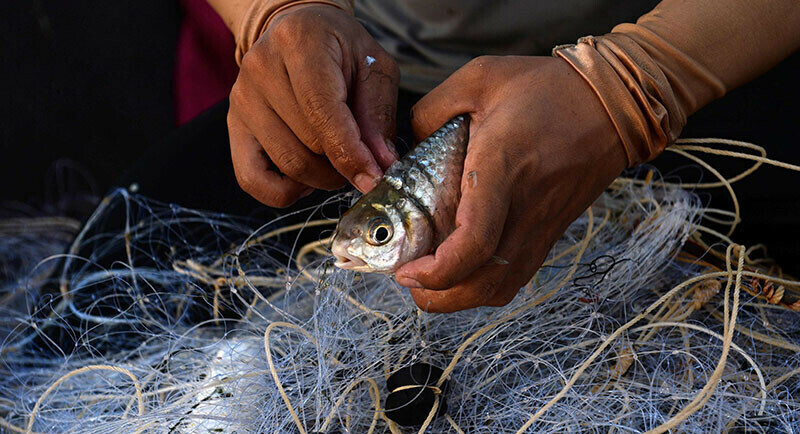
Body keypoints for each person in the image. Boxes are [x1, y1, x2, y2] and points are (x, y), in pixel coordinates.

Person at [204, 0, 800, 312]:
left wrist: (634, 84)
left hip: (714, 50)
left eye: (379, 234)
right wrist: (278, 9)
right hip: (380, 73)